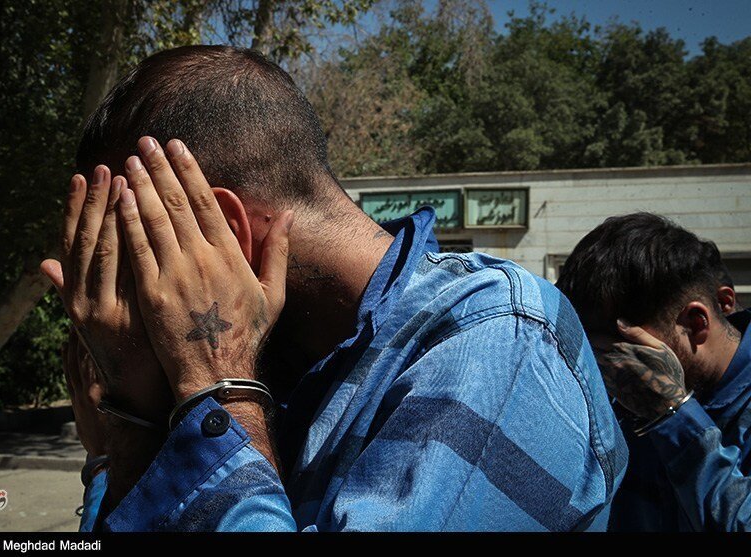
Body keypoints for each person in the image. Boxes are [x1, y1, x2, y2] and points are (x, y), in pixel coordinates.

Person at [40, 45, 626, 532]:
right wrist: (131, 425)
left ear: (225, 234)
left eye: (124, 269)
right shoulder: (289, 367)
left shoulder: (497, 340)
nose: (111, 314)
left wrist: (219, 381)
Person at [555, 212, 751, 531]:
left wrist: (672, 416)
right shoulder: (627, 397)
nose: (612, 376)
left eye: (623, 354)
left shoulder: (651, 399)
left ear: (695, 323)